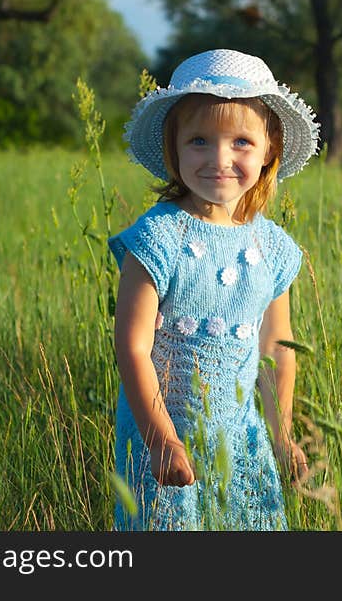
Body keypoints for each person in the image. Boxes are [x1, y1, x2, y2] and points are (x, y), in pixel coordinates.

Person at [108, 49, 319, 530]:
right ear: (174, 148)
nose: (219, 159)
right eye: (199, 140)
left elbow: (276, 350)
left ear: (269, 150)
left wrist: (281, 435)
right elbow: (133, 346)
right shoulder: (158, 238)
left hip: (241, 438)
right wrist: (161, 439)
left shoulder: (272, 246)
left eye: (241, 141)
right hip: (163, 437)